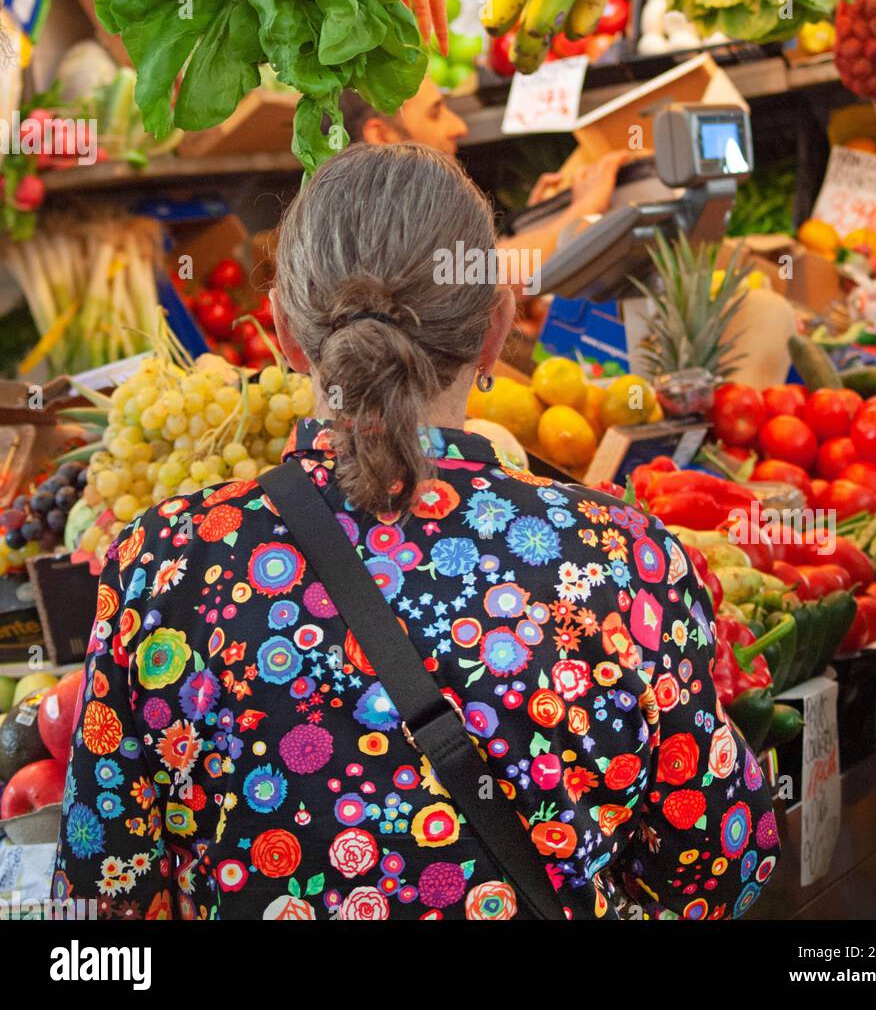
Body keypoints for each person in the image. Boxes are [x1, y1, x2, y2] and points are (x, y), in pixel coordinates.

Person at [54, 143, 778, 921]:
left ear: (288, 337)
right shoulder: (616, 560)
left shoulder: (162, 566)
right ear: (497, 327)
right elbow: (716, 871)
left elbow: (106, 898)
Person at [339, 80, 636, 272]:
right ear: (382, 135)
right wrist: (584, 210)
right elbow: (490, 273)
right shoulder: (377, 229)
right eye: (436, 113)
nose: (458, 127)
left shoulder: (380, 212)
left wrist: (537, 223)